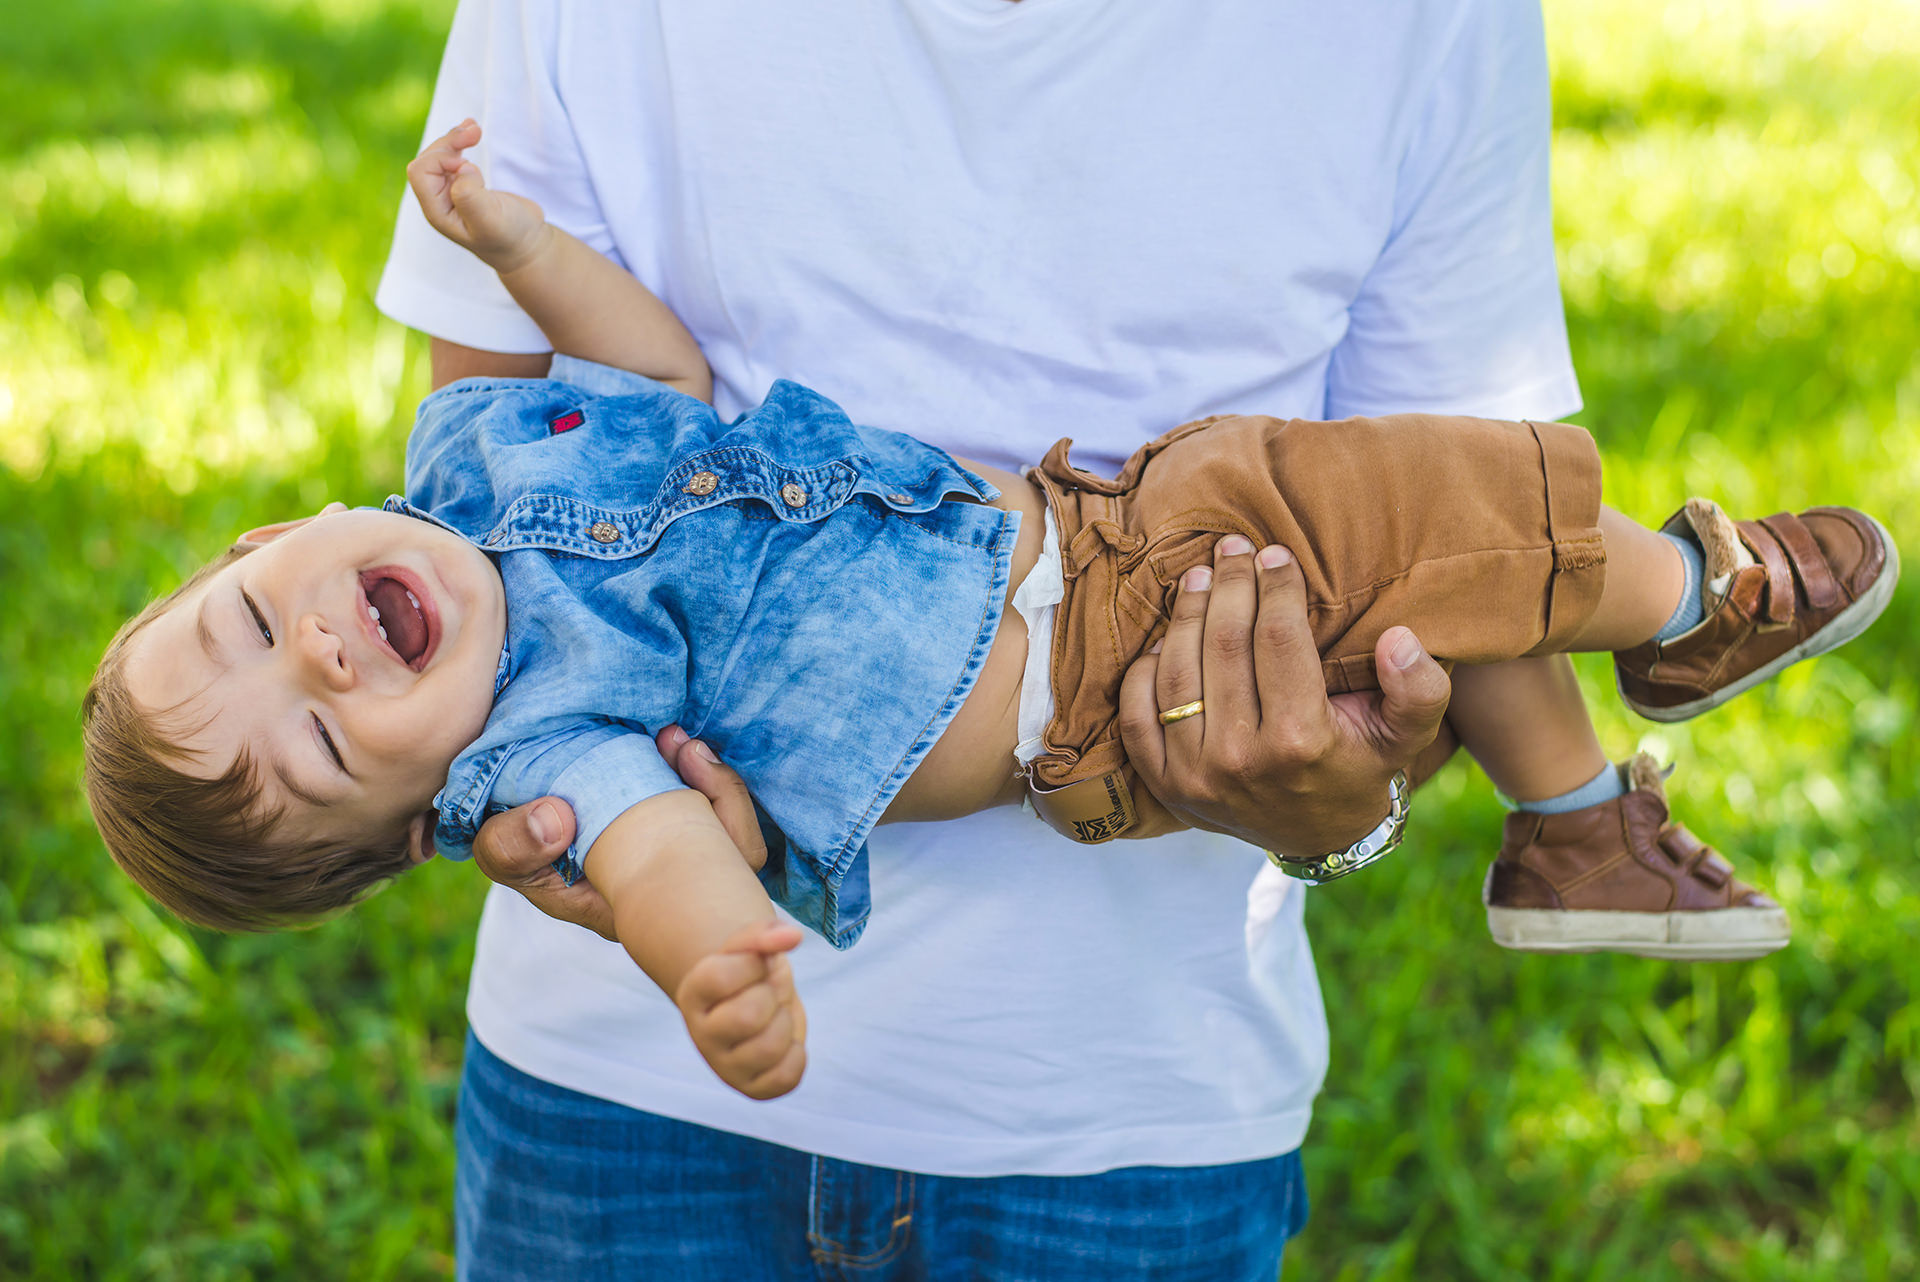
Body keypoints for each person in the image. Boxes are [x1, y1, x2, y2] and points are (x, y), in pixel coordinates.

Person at [85, 121, 1897, 1106]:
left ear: (278, 529)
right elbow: (649, 856)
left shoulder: (476, 449)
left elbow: (661, 379)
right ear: (424, 823)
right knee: (1415, 535)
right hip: (1104, 693)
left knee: (1418, 498)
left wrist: (522, 251)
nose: (316, 654)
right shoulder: (540, 736)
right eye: (318, 739)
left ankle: (1584, 813)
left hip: (1088, 517)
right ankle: (1688, 609)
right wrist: (712, 959)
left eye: (254, 617)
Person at [360, 1, 1632, 1275]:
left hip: (1125, 1124)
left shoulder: (1417, 27)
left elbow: (1456, 567)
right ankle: (1687, 609)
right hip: (622, 1107)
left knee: (1485, 525)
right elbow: (495, 582)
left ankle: (1686, 601)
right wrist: (701, 941)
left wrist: (1346, 804)